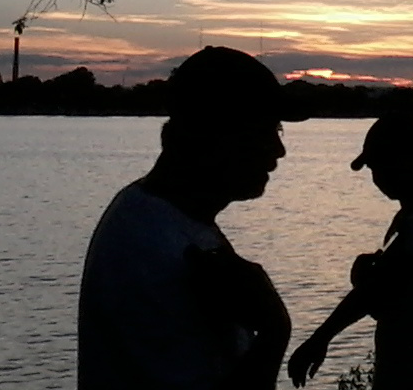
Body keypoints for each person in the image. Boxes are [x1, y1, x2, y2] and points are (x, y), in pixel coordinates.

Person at [78, 45, 305, 390]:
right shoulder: (151, 249)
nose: (278, 150)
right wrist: (275, 329)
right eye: (264, 130)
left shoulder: (171, 223)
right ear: (215, 134)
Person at [287, 113, 413, 390]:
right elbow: (391, 299)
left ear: (406, 160)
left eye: (380, 167)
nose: (376, 179)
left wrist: (320, 338)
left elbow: (380, 286)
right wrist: (365, 279)